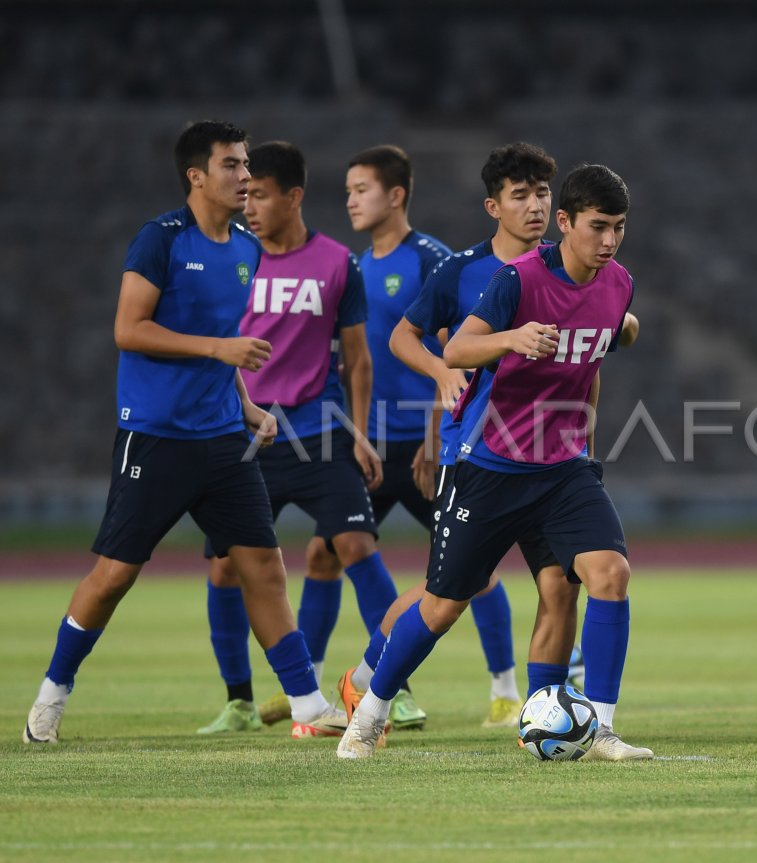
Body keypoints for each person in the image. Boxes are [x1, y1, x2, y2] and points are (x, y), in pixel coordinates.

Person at [22, 120, 344, 745]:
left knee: (264, 566)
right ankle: (51, 698)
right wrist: (219, 349)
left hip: (224, 438)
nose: (244, 176)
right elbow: (128, 329)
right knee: (115, 575)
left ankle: (306, 703)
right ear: (197, 175)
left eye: (246, 164)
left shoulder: (247, 249)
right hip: (157, 436)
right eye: (231, 165)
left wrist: (248, 406)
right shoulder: (160, 240)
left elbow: (220, 356)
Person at [336, 164, 651, 762]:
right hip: (490, 465)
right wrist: (512, 338)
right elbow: (454, 348)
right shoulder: (517, 280)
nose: (609, 241)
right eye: (598, 227)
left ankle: (596, 726)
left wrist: (586, 431)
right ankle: (369, 713)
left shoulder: (620, 285)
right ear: (566, 223)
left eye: (619, 229)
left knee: (600, 576)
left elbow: (602, 350)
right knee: (443, 604)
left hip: (562, 468)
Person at [307, 143, 520, 730]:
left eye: (361, 189)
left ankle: (504, 690)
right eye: (347, 190)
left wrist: (434, 437)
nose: (349, 199)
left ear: (396, 194)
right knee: (325, 554)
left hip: (424, 444)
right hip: (368, 444)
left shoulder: (433, 259)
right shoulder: (355, 266)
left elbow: (448, 352)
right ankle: (324, 692)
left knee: (473, 572)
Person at [194, 141, 401, 737]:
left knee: (356, 545)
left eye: (258, 194)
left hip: (316, 431)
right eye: (244, 194)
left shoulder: (339, 262)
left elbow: (358, 360)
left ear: (293, 196)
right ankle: (237, 700)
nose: (248, 206)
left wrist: (359, 433)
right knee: (226, 569)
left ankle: (394, 683)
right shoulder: (231, 257)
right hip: (243, 434)